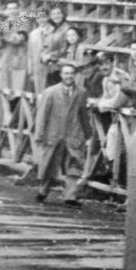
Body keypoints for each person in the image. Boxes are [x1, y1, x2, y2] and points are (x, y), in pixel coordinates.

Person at [33, 62, 92, 206]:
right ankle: (43, 191)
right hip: (54, 133)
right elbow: (42, 115)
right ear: (61, 75)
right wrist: (39, 134)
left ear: (75, 75)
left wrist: (88, 134)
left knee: (75, 163)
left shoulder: (81, 92)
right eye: (66, 73)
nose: (69, 76)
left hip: (73, 133)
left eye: (72, 73)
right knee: (49, 164)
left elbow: (83, 114)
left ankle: (70, 196)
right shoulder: (50, 92)